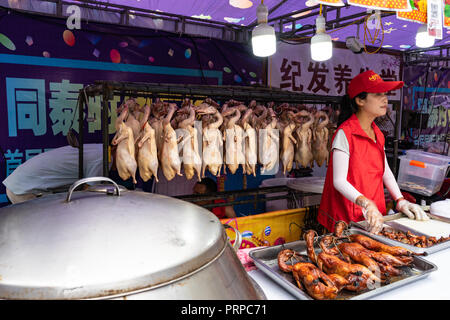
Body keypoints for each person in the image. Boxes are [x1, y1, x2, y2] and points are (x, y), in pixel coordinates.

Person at [318, 70, 429, 234]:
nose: (385, 99)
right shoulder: (345, 133)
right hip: (345, 218)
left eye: (385, 94)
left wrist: (400, 200)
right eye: (378, 94)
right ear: (360, 100)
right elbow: (339, 181)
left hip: (373, 216)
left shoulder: (377, 133)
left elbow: (386, 172)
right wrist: (366, 203)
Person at [3, 143, 103, 204]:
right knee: (44, 227)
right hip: (25, 189)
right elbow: (89, 193)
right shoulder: (103, 157)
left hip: (21, 183)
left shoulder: (99, 149)